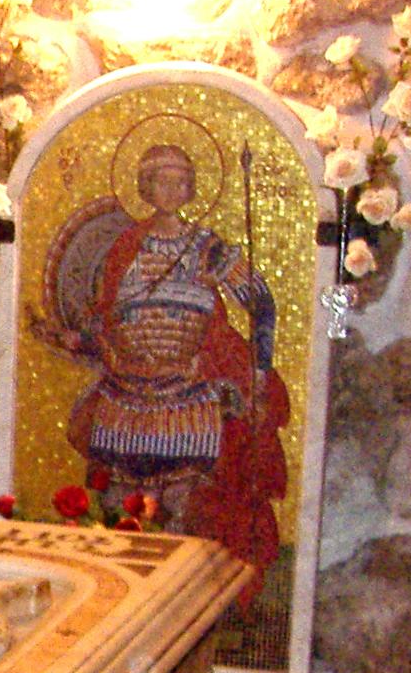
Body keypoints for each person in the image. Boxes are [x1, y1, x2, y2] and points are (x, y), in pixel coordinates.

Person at [54, 141, 289, 601]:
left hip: (188, 390)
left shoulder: (207, 248)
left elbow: (261, 303)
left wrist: (259, 370)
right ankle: (117, 596)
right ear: (145, 186)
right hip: (127, 391)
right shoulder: (128, 246)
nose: (172, 189)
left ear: (192, 189)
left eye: (181, 181)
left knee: (185, 504)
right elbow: (106, 315)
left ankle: (178, 598)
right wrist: (80, 339)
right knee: (117, 502)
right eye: (162, 180)